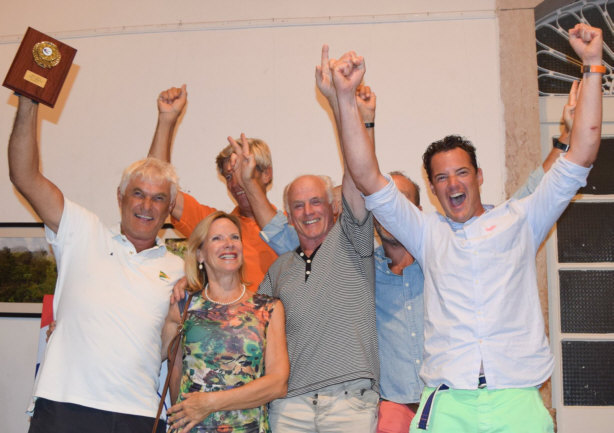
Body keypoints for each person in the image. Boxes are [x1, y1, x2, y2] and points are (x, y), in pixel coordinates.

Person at [331, 23, 603, 433]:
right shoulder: (427, 233)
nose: (453, 183)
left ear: (479, 176)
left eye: (461, 172)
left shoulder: (521, 219)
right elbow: (367, 176)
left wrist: (593, 64)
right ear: (432, 188)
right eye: (441, 177)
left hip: (516, 398)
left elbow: (582, 152)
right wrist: (345, 99)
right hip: (448, 401)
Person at [8, 96, 185, 432]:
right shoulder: (82, 231)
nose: (147, 205)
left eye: (159, 198)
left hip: (139, 414)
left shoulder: (178, 269)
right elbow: (25, 176)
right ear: (120, 197)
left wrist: (166, 122)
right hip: (65, 405)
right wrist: (29, 101)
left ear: (169, 207)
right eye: (137, 193)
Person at [250, 44, 380, 433]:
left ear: (334, 206)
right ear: (288, 216)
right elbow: (248, 323)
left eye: (316, 202)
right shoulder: (278, 270)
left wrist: (343, 102)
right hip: (289, 405)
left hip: (349, 401)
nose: (308, 211)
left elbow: (358, 174)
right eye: (298, 206)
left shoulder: (354, 239)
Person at [164, 211, 289, 433]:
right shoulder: (184, 307)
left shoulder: (268, 308)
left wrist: (210, 403)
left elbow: (277, 384)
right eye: (217, 238)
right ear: (200, 254)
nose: (228, 244)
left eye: (234, 237)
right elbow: (175, 375)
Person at [149, 85, 278, 289]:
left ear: (267, 174)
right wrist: (166, 121)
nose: (235, 183)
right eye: (229, 176)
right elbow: (157, 186)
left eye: (243, 171)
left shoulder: (293, 228)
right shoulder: (215, 227)